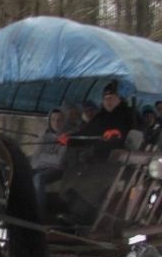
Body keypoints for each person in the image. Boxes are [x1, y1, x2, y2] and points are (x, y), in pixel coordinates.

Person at [54, 82, 136, 224]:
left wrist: (120, 134)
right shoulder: (100, 117)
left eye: (111, 98)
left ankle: (81, 218)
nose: (108, 101)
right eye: (105, 99)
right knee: (73, 175)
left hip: (119, 165)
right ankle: (67, 211)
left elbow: (137, 135)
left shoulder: (130, 115)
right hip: (97, 161)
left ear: (120, 99)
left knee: (89, 181)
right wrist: (69, 139)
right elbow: (86, 135)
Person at [30, 108, 68, 219]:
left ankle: (39, 215)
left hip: (58, 171)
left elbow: (60, 160)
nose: (56, 123)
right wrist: (48, 159)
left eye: (59, 120)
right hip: (43, 167)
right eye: (53, 120)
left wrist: (43, 157)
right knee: (23, 173)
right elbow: (35, 159)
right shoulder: (45, 137)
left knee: (38, 178)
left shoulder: (66, 137)